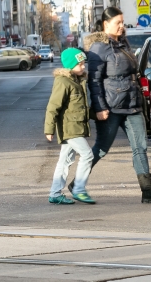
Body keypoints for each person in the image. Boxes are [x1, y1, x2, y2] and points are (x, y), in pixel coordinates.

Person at [84, 6, 151, 203]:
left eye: (123, 22)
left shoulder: (123, 43)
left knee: (140, 147)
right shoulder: (98, 48)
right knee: (102, 148)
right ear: (106, 25)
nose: (122, 26)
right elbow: (94, 81)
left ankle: (147, 192)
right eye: (118, 23)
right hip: (111, 107)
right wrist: (99, 108)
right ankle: (78, 183)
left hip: (132, 104)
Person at [44, 48, 95, 204]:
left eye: (84, 63)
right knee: (87, 155)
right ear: (70, 66)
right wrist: (49, 129)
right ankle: (79, 189)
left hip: (76, 126)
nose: (83, 67)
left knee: (65, 161)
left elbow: (81, 107)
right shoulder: (63, 82)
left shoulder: (77, 80)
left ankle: (55, 193)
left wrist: (96, 115)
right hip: (70, 128)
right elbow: (53, 106)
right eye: (80, 64)